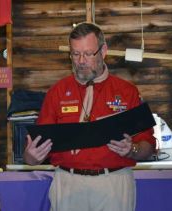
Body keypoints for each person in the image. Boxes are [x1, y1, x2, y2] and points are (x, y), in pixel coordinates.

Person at [23, 22, 156, 211]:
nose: (81, 61)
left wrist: (132, 149)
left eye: (88, 53)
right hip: (67, 184)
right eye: (75, 54)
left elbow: (149, 146)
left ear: (103, 51)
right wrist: (31, 156)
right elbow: (33, 153)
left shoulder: (127, 92)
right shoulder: (57, 92)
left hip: (114, 185)